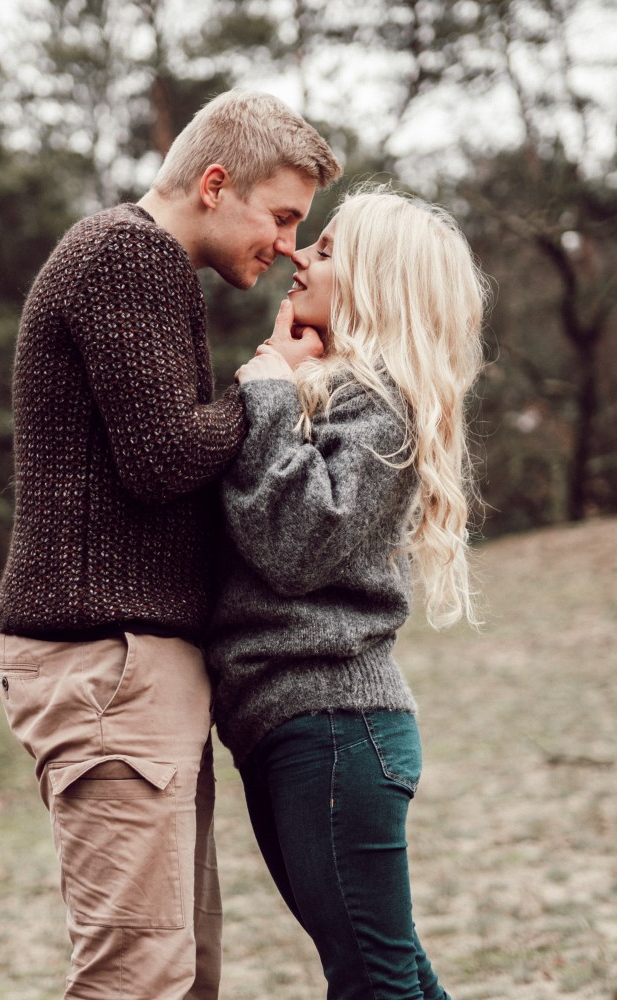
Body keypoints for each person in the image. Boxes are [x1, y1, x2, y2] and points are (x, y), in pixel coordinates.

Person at [0, 89, 341, 1000]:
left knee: (183, 973)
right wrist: (267, 382)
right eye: (282, 216)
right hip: (107, 664)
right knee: (137, 977)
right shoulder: (127, 254)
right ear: (215, 184)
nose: (291, 245)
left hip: (131, 668)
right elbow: (166, 457)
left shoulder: (145, 263)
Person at [206, 185, 488, 1000]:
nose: (297, 254)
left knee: (373, 979)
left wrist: (266, 390)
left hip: (333, 724)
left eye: (325, 250)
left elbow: (295, 544)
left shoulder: (383, 407)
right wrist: (280, 386)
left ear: (375, 284)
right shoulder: (327, 392)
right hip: (284, 723)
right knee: (387, 973)